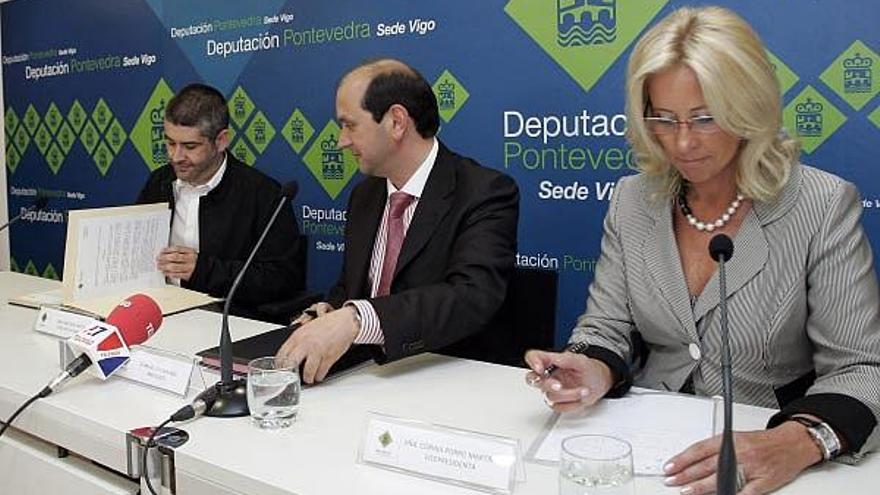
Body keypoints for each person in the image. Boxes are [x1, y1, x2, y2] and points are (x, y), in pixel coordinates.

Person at [524, 6, 880, 495]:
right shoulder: (633, 199)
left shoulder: (821, 205)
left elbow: (862, 369)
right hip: (647, 452)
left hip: (765, 455)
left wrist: (797, 442)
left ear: (748, 107)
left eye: (705, 118)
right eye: (664, 119)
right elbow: (606, 325)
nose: (683, 142)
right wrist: (591, 368)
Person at [276, 58, 519, 384]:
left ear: (396, 122)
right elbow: (351, 288)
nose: (341, 141)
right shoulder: (365, 196)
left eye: (350, 125)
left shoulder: (485, 192)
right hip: (366, 376)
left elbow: (470, 297)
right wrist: (326, 313)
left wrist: (355, 320)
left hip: (443, 379)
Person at [137, 83, 303, 315]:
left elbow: (282, 278)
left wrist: (203, 269)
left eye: (190, 146)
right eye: (170, 143)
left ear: (221, 140)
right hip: (160, 312)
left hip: (228, 319)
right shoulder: (158, 182)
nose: (176, 157)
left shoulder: (261, 193)